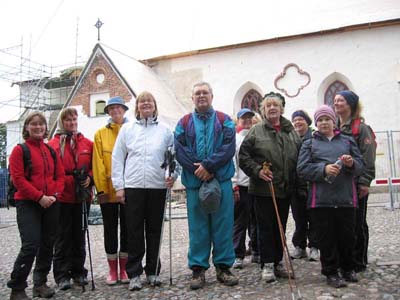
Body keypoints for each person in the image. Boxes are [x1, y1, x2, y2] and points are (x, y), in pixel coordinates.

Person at [174, 81, 238, 290]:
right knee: (198, 227)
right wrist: (198, 170)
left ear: (212, 96)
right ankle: (198, 269)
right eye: (197, 93)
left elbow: (229, 146)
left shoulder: (225, 120)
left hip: (221, 180)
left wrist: (209, 166)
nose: (201, 96)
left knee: (223, 224)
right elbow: (180, 149)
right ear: (192, 98)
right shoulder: (183, 123)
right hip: (194, 184)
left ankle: (223, 267)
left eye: (205, 92)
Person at [112, 91, 177, 291]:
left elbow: (172, 157)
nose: (146, 104)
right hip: (133, 187)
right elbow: (117, 158)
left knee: (155, 230)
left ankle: (153, 271)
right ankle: (134, 273)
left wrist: (172, 176)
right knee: (134, 231)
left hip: (157, 186)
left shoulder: (166, 130)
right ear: (137, 106)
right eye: (142, 102)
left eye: (149, 101)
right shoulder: (127, 129)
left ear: (155, 105)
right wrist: (119, 186)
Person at [297, 105, 364, 288]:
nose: (324, 122)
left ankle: (348, 268)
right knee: (327, 239)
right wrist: (323, 169)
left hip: (346, 198)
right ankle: (331, 272)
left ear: (334, 121)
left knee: (347, 236)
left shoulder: (347, 141)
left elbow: (360, 166)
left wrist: (351, 164)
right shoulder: (309, 143)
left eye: (327, 119)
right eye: (320, 120)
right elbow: (302, 169)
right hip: (320, 200)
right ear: (316, 123)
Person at [239, 91, 301, 283]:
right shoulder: (256, 131)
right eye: (268, 106)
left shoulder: (291, 132)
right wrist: (257, 170)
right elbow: (243, 156)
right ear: (263, 110)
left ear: (281, 109)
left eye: (275, 105)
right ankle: (267, 264)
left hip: (285, 188)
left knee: (280, 227)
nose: (272, 108)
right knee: (265, 227)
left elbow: (299, 157)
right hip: (263, 189)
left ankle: (277, 262)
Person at [7, 112, 65, 300]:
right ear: (27, 128)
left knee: (48, 244)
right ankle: (17, 287)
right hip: (28, 203)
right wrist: (40, 197)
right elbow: (18, 179)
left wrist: (54, 195)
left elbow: (60, 176)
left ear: (45, 128)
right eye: (34, 124)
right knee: (31, 244)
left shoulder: (51, 151)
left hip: (51, 202)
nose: (38, 127)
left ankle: (40, 283)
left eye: (41, 124)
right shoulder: (19, 150)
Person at [48, 107, 94, 290]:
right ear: (62, 122)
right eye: (68, 120)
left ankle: (78, 271)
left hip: (82, 196)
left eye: (74, 119)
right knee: (62, 236)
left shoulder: (87, 144)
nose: (72, 123)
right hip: (63, 196)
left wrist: (90, 178)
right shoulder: (53, 145)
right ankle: (61, 274)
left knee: (79, 235)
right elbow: (50, 171)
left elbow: (93, 166)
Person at [333, 90, 376, 273]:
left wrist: (365, 182)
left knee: (358, 223)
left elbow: (368, 156)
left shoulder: (361, 128)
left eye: (340, 100)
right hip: (339, 184)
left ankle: (359, 260)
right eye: (335, 100)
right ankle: (345, 258)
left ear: (350, 104)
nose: (336, 103)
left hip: (356, 183)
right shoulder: (334, 125)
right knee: (343, 223)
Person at [92, 96, 129, 285]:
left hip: (128, 191)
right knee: (110, 230)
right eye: (111, 109)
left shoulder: (131, 130)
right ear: (108, 112)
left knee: (128, 231)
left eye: (118, 108)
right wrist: (101, 190)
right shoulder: (100, 134)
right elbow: (98, 163)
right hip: (108, 191)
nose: (115, 111)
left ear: (124, 110)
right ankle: (112, 270)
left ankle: (124, 268)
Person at [290, 110, 319, 261]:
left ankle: (314, 246)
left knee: (314, 218)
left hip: (311, 185)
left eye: (300, 119)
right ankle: (299, 246)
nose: (297, 123)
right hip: (296, 186)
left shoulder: (314, 138)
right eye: (295, 120)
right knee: (298, 218)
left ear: (307, 122)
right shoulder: (291, 139)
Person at [232, 108, 259, 269]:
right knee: (240, 222)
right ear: (238, 121)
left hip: (257, 185)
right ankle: (237, 253)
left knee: (257, 220)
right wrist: (234, 184)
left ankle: (256, 250)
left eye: (250, 118)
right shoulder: (235, 139)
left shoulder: (257, 136)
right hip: (242, 185)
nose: (247, 121)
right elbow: (233, 162)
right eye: (244, 119)